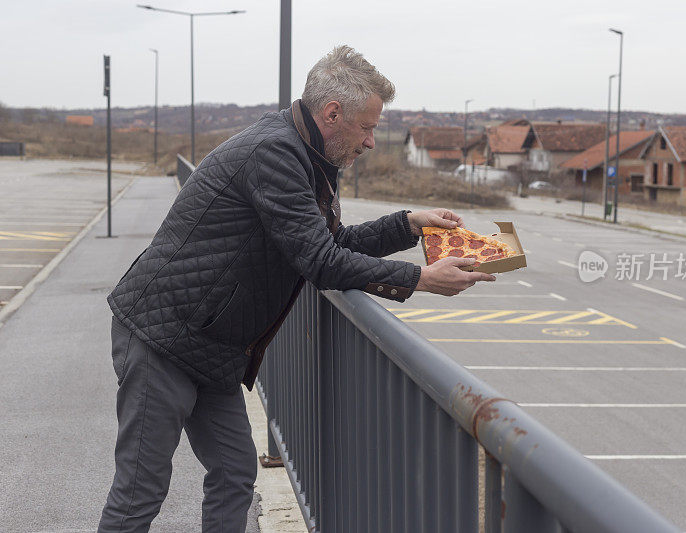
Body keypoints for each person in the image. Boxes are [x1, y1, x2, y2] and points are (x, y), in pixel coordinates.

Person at [98, 45, 495, 532]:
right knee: (141, 492)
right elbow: (322, 262)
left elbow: (329, 242)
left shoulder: (307, 155)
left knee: (234, 474)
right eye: (368, 127)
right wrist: (421, 279)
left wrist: (407, 225)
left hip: (212, 347)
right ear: (333, 114)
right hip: (163, 338)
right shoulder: (276, 153)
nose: (371, 142)